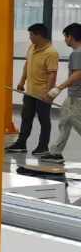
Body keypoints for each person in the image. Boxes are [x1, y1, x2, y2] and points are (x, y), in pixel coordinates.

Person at [7, 22, 59, 156]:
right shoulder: (31, 47)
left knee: (44, 120)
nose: (29, 37)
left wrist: (48, 93)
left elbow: (52, 74)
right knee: (26, 118)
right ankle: (21, 144)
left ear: (39, 35)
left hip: (43, 94)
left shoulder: (51, 52)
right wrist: (21, 82)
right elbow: (27, 65)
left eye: (31, 35)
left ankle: (43, 146)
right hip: (30, 92)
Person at [41, 23, 81, 163]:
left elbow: (78, 74)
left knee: (75, 122)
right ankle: (56, 153)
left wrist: (58, 88)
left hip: (77, 98)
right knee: (64, 122)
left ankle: (56, 152)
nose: (65, 40)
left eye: (65, 37)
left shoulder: (77, 53)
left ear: (71, 37)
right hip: (73, 96)